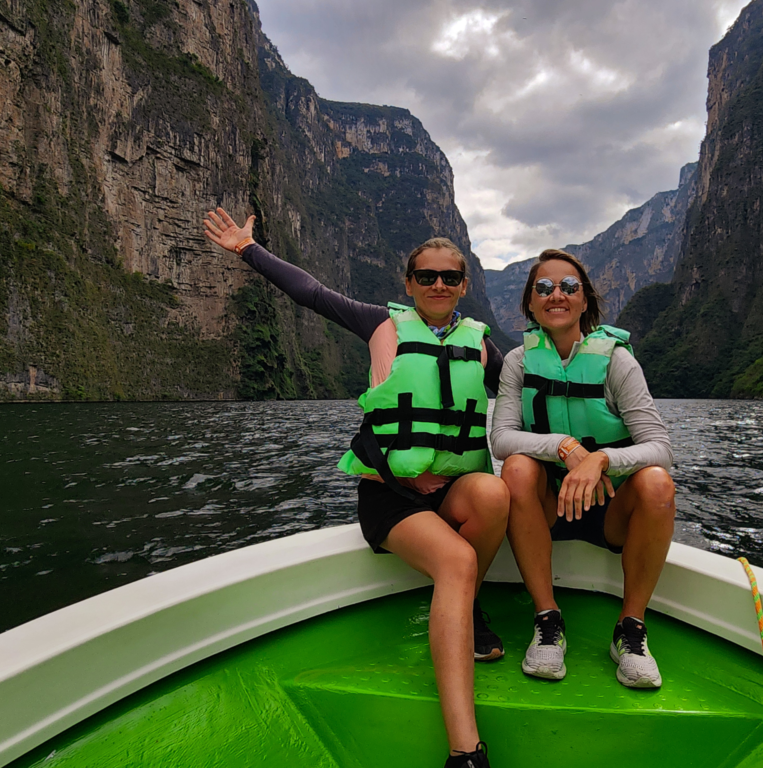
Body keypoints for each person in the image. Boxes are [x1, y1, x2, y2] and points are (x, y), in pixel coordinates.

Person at [203, 209, 506, 768]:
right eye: (426, 277)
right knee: (458, 561)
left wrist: (587, 453)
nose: (438, 285)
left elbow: (531, 398)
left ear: (465, 286)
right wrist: (248, 248)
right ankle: (466, 751)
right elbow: (311, 293)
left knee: (496, 495)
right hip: (392, 495)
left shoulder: (484, 347)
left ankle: (471, 609)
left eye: (449, 277)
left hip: (455, 489)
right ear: (408, 283)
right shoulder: (378, 324)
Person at [490, 248, 675, 689]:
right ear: (531, 304)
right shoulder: (518, 362)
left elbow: (660, 447)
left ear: (585, 300)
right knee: (516, 467)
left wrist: (603, 458)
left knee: (657, 483)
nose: (558, 295)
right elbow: (500, 439)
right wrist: (563, 446)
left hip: (611, 511)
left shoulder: (617, 361)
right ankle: (547, 620)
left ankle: (630, 629)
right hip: (549, 507)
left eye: (569, 287)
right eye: (545, 287)